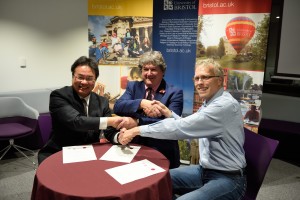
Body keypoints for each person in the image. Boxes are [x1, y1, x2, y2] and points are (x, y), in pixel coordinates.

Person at [119, 59, 247, 200]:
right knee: (153, 180)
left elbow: (181, 128)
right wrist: (168, 113)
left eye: (205, 77)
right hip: (204, 170)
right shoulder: (210, 102)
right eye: (197, 78)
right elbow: (190, 127)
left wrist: (137, 129)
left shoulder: (222, 106)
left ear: (219, 80)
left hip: (228, 178)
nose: (199, 82)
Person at [37, 56, 128, 164]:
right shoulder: (59, 96)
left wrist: (119, 137)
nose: (84, 82)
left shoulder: (102, 101)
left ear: (95, 80)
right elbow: (76, 121)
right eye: (80, 77)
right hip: (60, 152)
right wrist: (109, 121)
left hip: (91, 152)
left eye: (89, 78)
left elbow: (109, 131)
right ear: (73, 77)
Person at [113, 51, 183, 169]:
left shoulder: (174, 92)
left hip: (162, 151)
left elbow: (172, 124)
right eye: (145, 69)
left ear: (163, 71)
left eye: (153, 69)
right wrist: (141, 103)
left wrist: (137, 123)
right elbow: (118, 106)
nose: (149, 73)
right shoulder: (133, 87)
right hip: (134, 150)